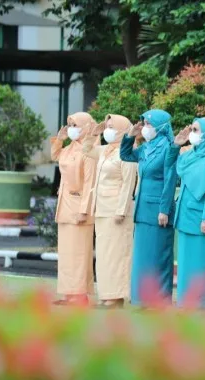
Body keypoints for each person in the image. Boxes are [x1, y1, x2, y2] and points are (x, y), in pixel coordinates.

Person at [119, 109, 178, 307]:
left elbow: (170, 180)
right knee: (143, 257)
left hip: (158, 210)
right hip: (142, 208)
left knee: (157, 255)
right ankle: (141, 298)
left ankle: (159, 300)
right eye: (144, 123)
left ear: (161, 127)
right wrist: (130, 136)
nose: (145, 128)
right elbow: (126, 155)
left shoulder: (168, 147)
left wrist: (165, 209)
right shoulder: (147, 147)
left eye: (149, 124)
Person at [81, 114, 138, 309]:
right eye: (107, 126)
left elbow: (128, 183)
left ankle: (116, 297)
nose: (108, 130)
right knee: (104, 255)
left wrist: (121, 210)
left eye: (112, 127)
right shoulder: (105, 150)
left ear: (123, 130)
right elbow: (86, 150)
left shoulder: (127, 152)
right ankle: (106, 295)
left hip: (117, 210)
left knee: (117, 254)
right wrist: (92, 134)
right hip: (102, 208)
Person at [169, 117, 205, 310]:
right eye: (192, 129)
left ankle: (203, 306)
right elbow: (172, 165)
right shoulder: (188, 155)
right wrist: (176, 145)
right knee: (186, 264)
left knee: (202, 265)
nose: (193, 133)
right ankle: (186, 302)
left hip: (202, 218)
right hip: (185, 215)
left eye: (196, 130)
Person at [49, 112, 97, 306]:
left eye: (75, 124)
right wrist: (59, 140)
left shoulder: (90, 150)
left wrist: (84, 210)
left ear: (86, 127)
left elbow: (90, 183)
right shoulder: (69, 148)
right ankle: (68, 293)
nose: (71, 128)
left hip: (80, 207)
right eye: (69, 124)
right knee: (67, 253)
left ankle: (80, 294)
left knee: (80, 254)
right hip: (65, 205)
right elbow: (54, 156)